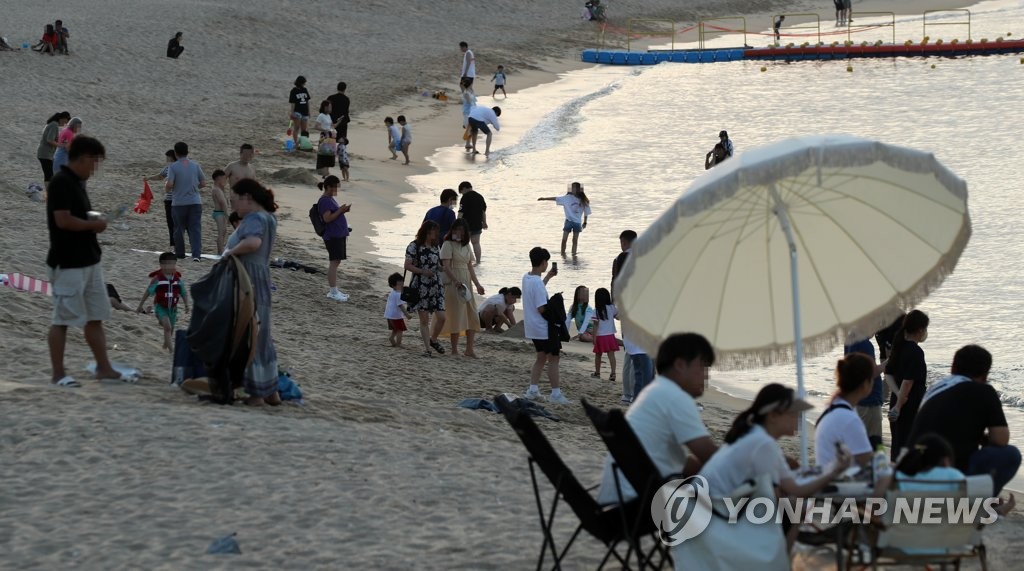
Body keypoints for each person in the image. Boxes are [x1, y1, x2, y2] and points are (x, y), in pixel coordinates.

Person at [700, 383, 850, 550]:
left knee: (791, 503)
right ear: (772, 415)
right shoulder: (762, 443)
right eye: (792, 414)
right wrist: (834, 472)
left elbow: (788, 485)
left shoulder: (754, 434)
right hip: (717, 517)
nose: (798, 418)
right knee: (794, 505)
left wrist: (830, 470)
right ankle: (778, 559)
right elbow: (795, 489)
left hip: (711, 509)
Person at [595, 333, 719, 505]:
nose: (706, 376)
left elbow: (685, 463)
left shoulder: (654, 391)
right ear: (680, 365)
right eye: (703, 367)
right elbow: (710, 456)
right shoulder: (675, 397)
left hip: (620, 499)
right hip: (639, 504)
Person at [46, 136, 130, 387]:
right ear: (83, 158)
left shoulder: (77, 182)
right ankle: (58, 374)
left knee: (96, 315)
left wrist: (92, 220)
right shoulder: (62, 182)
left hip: (88, 260)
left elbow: (75, 216)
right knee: (61, 319)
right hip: (68, 262)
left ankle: (104, 368)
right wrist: (93, 224)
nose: (95, 168)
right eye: (94, 162)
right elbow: (62, 220)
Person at [909, 345, 1022, 494]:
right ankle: (978, 501)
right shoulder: (984, 391)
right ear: (985, 374)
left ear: (953, 367)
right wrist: (984, 439)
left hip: (912, 470)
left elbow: (942, 424)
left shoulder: (936, 387)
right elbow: (1001, 439)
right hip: (948, 473)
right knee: (1010, 454)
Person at [224, 179, 281, 406]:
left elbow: (253, 243)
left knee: (250, 333)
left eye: (235, 201)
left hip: (249, 281)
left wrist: (229, 253)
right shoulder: (269, 217)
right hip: (261, 278)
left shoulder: (254, 218)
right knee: (262, 333)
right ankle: (271, 392)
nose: (234, 206)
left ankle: (256, 394)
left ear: (247, 197)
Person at [877, 433, 1015, 514]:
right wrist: (998, 510)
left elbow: (876, 506)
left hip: (899, 545)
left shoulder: (897, 477)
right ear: (945, 460)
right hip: (945, 547)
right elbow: (972, 513)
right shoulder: (954, 477)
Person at [521, 247, 569, 404]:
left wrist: (547, 278)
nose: (548, 264)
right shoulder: (537, 284)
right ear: (543, 262)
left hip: (532, 327)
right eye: (547, 262)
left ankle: (533, 390)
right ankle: (555, 394)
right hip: (543, 328)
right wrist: (555, 311)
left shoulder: (526, 278)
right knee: (554, 358)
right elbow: (542, 308)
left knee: (541, 357)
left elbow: (536, 291)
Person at [814, 352, 876, 468]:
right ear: (865, 384)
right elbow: (868, 461)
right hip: (837, 482)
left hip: (826, 476)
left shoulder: (833, 407)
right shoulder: (848, 418)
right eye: (872, 378)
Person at [885, 309, 929, 461]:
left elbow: (888, 374)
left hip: (897, 400)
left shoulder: (898, 345)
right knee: (910, 443)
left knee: (897, 441)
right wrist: (899, 404)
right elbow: (908, 381)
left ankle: (895, 474)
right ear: (920, 330)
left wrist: (897, 395)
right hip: (909, 405)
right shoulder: (916, 351)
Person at [439, 219, 484, 357]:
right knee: (456, 315)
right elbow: (445, 266)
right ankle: (454, 349)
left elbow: (470, 266)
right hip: (454, 283)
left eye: (461, 231)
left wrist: (477, 284)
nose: (458, 233)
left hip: (467, 282)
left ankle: (469, 349)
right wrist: (455, 281)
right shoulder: (447, 244)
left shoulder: (466, 245)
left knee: (472, 315)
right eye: (456, 230)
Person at [405, 220, 447, 357]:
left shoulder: (436, 246)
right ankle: (428, 349)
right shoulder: (414, 246)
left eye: (436, 231)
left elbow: (437, 264)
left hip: (436, 285)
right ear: (426, 232)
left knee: (442, 317)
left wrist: (442, 268)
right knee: (424, 320)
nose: (435, 234)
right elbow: (407, 265)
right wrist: (423, 271)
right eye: (433, 231)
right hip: (421, 285)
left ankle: (433, 340)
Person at [136, 252, 190, 351]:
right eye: (169, 264)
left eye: (174, 264)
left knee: (170, 330)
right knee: (168, 327)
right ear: (162, 265)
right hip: (160, 308)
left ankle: (164, 347)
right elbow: (147, 292)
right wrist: (140, 305)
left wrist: (187, 305)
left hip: (173, 309)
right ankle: (172, 351)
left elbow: (183, 293)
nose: (172, 266)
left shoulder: (177, 279)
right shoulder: (158, 279)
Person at [165, 141, 206, 262]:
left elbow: (170, 184)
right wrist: (192, 188)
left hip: (179, 202)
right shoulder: (195, 165)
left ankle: (180, 253)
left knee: (178, 228)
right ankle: (196, 255)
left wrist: (167, 187)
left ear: (176, 153)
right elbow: (203, 183)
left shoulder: (173, 167)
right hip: (195, 201)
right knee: (195, 229)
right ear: (187, 152)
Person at [317, 176, 352, 302]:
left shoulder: (329, 199)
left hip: (337, 234)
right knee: (334, 262)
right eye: (334, 187)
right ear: (327, 187)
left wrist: (342, 211)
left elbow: (333, 216)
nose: (336, 189)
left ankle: (334, 290)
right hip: (332, 236)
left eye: (336, 187)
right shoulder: (325, 200)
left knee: (336, 261)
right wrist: (341, 211)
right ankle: (332, 291)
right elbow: (327, 218)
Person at [845, 336, 885, 443]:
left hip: (857, 398)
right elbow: (871, 372)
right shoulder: (864, 344)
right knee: (875, 442)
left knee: (858, 439)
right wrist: (890, 361)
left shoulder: (850, 340)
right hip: (869, 401)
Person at [538, 182, 591, 256]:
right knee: (564, 240)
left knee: (575, 241)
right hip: (568, 221)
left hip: (577, 222)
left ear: (579, 189)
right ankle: (562, 254)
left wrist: (585, 222)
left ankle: (574, 255)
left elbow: (586, 212)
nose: (572, 189)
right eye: (572, 187)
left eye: (574, 188)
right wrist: (544, 199)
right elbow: (556, 198)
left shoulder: (583, 200)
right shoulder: (567, 198)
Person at [146, 149, 177, 247]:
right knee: (173, 222)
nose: (166, 159)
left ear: (171, 157)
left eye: (167, 157)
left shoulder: (172, 167)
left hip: (172, 199)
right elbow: (160, 176)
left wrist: (149, 178)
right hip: (174, 199)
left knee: (172, 222)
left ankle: (175, 244)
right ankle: (174, 243)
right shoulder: (169, 168)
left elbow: (160, 177)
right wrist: (149, 178)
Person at [590, 287, 618, 380]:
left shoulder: (596, 310)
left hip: (600, 336)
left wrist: (594, 337)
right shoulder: (612, 308)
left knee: (598, 355)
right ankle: (613, 373)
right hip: (610, 336)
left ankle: (597, 373)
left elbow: (595, 325)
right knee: (611, 355)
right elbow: (618, 316)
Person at [457, 181, 487, 264]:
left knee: (464, 243)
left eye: (461, 192)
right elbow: (483, 211)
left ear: (464, 188)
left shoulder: (465, 197)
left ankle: (465, 262)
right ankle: (478, 262)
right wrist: (484, 222)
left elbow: (461, 212)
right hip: (477, 224)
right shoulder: (480, 197)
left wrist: (457, 224)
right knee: (476, 243)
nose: (462, 194)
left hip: (466, 224)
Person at [37, 111, 70, 183]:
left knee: (50, 175)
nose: (65, 124)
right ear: (62, 118)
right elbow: (49, 140)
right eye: (66, 122)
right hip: (45, 154)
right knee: (49, 175)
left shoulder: (52, 124)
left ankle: (49, 192)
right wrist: (61, 146)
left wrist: (61, 142)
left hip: (46, 154)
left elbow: (52, 139)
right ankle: (49, 193)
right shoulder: (54, 125)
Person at [385, 273, 411, 348]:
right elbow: (401, 306)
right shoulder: (398, 294)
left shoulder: (392, 293)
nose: (401, 287)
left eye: (402, 285)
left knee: (395, 329)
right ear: (393, 286)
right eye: (399, 285)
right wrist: (407, 315)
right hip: (396, 316)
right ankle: (398, 344)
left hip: (389, 315)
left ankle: (392, 338)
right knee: (400, 330)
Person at [288, 76, 311, 150]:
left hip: (305, 111)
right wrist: (292, 112)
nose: (305, 84)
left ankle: (303, 144)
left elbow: (307, 101)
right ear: (300, 82)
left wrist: (309, 111)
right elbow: (293, 103)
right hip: (297, 111)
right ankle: (296, 143)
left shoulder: (305, 90)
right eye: (304, 82)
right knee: (296, 127)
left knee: (304, 130)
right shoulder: (293, 91)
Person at [210, 169, 229, 255]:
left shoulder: (219, 189)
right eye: (224, 178)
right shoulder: (216, 189)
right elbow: (223, 203)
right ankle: (220, 251)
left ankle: (221, 249)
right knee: (221, 232)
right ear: (218, 178)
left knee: (223, 231)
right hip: (219, 213)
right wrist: (227, 215)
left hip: (220, 213)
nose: (225, 181)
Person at [460, 79, 477, 150]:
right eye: (471, 84)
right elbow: (470, 103)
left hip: (472, 112)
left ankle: (467, 144)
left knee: (470, 128)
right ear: (470, 85)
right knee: (469, 128)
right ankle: (467, 143)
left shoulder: (471, 91)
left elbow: (473, 101)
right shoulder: (466, 93)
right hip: (467, 112)